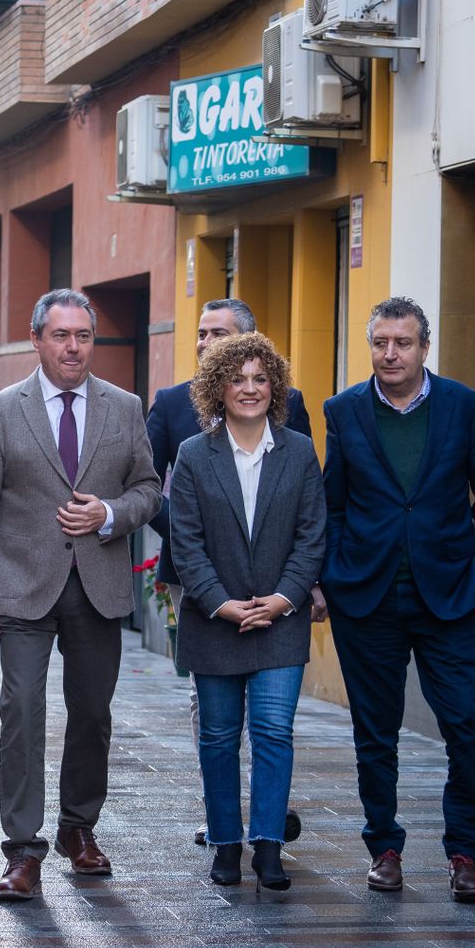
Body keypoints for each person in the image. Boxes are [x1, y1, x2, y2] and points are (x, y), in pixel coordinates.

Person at [0, 288, 162, 902]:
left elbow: (149, 489)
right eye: (61, 335)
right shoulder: (0, 409)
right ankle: (23, 849)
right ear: (37, 339)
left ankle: (79, 827)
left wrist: (109, 513)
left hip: (98, 584)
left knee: (92, 714)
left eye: (83, 336)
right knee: (21, 710)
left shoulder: (125, 407)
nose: (73, 347)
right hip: (22, 587)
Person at [314, 297, 475, 901]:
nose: (390, 354)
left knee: (466, 726)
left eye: (402, 343)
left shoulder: (464, 406)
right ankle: (384, 848)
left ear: (424, 347)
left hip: (448, 597)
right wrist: (332, 573)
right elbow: (332, 503)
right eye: (380, 343)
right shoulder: (343, 410)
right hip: (367, 599)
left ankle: (465, 854)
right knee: (375, 733)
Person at [145, 296, 313, 844]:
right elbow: (147, 484)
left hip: (277, 584)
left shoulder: (291, 412)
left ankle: (267, 818)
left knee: (272, 720)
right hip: (198, 579)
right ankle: (219, 819)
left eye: (217, 333)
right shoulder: (173, 405)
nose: (204, 342)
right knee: (212, 713)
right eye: (201, 333)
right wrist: (193, 540)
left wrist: (298, 588)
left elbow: (305, 501)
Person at [169, 334, 325, 891]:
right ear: (218, 388)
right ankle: (225, 843)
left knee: (273, 733)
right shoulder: (193, 454)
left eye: (260, 379)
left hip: (281, 621)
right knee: (217, 737)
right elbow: (185, 542)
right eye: (237, 379)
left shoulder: (300, 452)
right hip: (215, 622)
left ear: (275, 386)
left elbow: (312, 535)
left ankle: (269, 846)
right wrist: (222, 604)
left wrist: (284, 598)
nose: (250, 389)